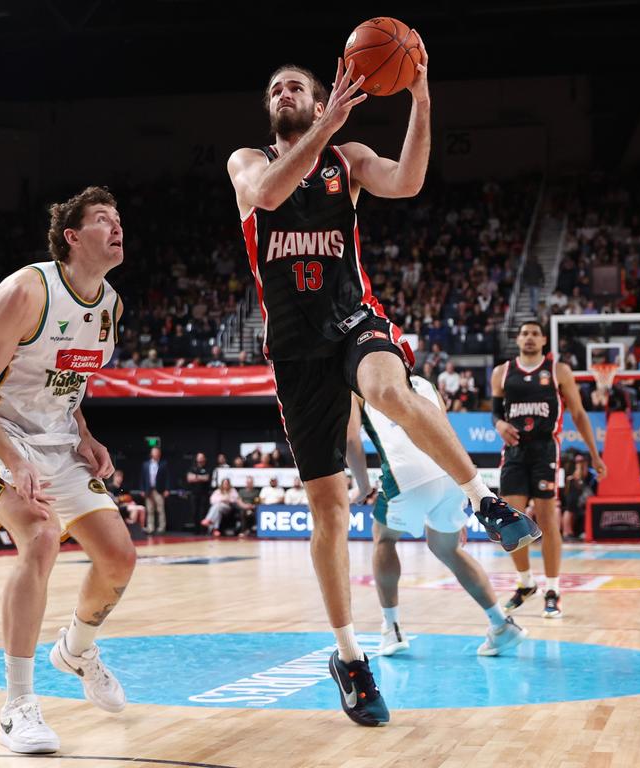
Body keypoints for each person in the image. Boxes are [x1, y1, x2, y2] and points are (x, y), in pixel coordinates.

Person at [226, 54, 537, 727]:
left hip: (351, 319)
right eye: (276, 88)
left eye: (298, 87)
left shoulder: (348, 158)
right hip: (294, 352)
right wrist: (324, 127)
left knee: (390, 391)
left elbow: (410, 178)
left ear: (318, 101)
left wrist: (422, 97)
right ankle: (349, 657)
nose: (286, 93)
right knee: (330, 513)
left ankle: (485, 500)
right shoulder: (248, 162)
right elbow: (269, 198)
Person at [0, 188, 133, 754]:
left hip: (58, 440)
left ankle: (76, 649)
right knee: (40, 539)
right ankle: (17, 707)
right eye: (103, 219)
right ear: (72, 237)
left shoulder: (111, 305)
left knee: (119, 558)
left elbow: (68, 381)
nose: (116, 225)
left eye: (119, 218)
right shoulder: (27, 290)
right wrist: (11, 459)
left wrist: (84, 434)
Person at [347, 378, 528, 657]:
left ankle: (391, 628)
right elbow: (445, 430)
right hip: (449, 473)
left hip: (405, 477)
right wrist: (466, 490)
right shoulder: (425, 383)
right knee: (448, 548)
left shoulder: (358, 386)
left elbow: (350, 439)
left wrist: (361, 485)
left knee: (384, 540)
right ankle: (501, 625)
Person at [491, 321, 606, 619]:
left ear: (544, 339)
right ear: (517, 339)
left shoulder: (559, 371)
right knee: (510, 523)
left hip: (545, 450)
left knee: (547, 520)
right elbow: (495, 412)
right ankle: (526, 583)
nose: (529, 338)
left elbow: (579, 414)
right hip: (514, 451)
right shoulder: (501, 372)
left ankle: (553, 590)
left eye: (534, 333)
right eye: (524, 333)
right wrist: (500, 424)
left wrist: (594, 454)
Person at [141, 446, 169, 534]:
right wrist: (142, 489)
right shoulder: (146, 464)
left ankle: (161, 527)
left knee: (160, 509)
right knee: (150, 509)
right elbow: (142, 478)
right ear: (151, 453)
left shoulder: (163, 464)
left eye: (156, 452)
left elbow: (167, 477)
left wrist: (167, 489)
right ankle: (150, 527)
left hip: (159, 490)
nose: (155, 454)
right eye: (153, 452)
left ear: (159, 454)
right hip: (148, 490)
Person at [186, 452, 212, 529]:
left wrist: (195, 477)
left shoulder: (208, 468)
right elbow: (189, 478)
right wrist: (201, 477)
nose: (200, 459)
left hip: (204, 493)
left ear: (204, 459)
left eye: (202, 457)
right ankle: (196, 529)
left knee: (203, 511)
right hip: (194, 493)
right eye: (199, 457)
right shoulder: (192, 468)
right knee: (194, 511)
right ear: (196, 459)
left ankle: (203, 529)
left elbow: (207, 478)